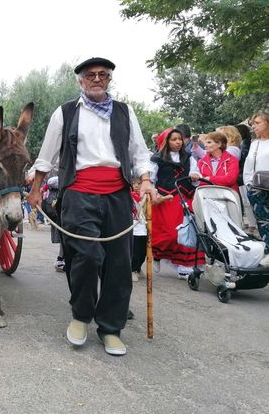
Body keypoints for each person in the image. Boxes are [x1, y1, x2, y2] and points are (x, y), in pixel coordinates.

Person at [27, 57, 156, 356]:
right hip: (79, 193)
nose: (97, 79)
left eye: (103, 75)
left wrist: (146, 180)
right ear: (81, 81)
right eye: (90, 75)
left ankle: (111, 328)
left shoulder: (125, 112)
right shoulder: (66, 112)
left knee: (119, 263)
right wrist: (36, 190)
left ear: (109, 79)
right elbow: (46, 156)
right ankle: (81, 316)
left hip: (118, 195)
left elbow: (139, 152)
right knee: (85, 255)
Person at [150, 128, 203, 278]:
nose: (178, 142)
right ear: (167, 141)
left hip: (184, 199)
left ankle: (183, 266)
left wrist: (195, 177)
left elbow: (196, 175)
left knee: (185, 232)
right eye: (174, 139)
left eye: (179, 139)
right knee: (166, 234)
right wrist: (154, 194)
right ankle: (158, 254)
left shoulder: (189, 158)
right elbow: (151, 179)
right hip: (165, 200)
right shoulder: (157, 159)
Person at [243, 110, 269, 251]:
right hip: (256, 189)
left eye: (258, 123)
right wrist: (249, 185)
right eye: (253, 124)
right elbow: (248, 166)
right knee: (262, 222)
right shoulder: (255, 144)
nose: (254, 126)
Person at [130, 178, 147, 282]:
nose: (136, 185)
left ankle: (138, 267)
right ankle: (132, 270)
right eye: (134, 183)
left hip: (143, 225)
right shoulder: (128, 195)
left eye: (139, 183)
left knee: (143, 251)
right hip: (132, 226)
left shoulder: (145, 195)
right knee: (135, 251)